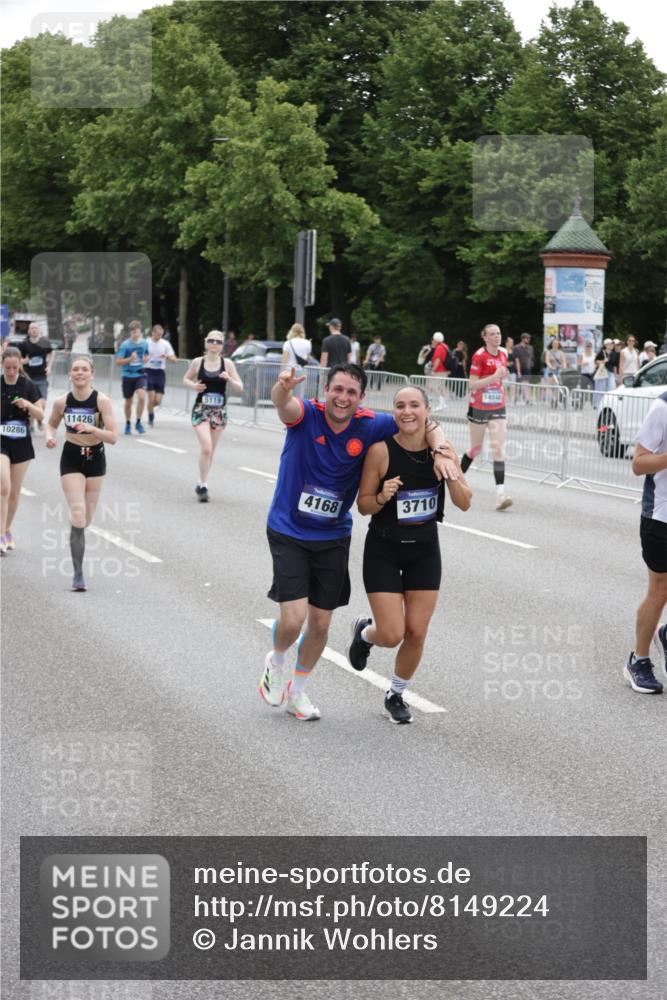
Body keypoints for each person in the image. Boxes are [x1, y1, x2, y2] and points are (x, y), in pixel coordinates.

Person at [259, 363, 458, 721]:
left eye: (351, 392)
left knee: (320, 624)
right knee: (293, 619)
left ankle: (298, 693)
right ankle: (276, 661)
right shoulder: (307, 414)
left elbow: (421, 421)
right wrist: (283, 389)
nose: (343, 398)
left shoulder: (371, 424)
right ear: (325, 391)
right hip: (289, 529)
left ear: (361, 398)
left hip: (333, 536)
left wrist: (441, 448)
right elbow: (283, 404)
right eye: (337, 389)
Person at [349, 386, 471, 723]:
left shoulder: (442, 452)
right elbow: (363, 506)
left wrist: (452, 473)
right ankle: (364, 632)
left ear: (427, 411)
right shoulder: (380, 452)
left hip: (425, 550)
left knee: (416, 631)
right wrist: (383, 496)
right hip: (384, 549)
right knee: (391, 634)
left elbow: (464, 503)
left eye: (414, 405)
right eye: (400, 406)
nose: (407, 412)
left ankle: (396, 694)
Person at [45, 355, 117, 591]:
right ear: (70, 375)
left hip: (95, 458)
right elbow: (52, 423)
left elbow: (113, 437)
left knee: (86, 520)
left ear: (92, 374)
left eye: (84, 369)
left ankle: (78, 538)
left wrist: (93, 428)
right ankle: (78, 575)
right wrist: (49, 436)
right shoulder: (61, 401)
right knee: (78, 516)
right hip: (71, 458)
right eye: (75, 369)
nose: (79, 373)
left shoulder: (102, 401)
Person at [624, 390, 667, 694]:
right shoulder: (662, 407)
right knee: (660, 589)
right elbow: (638, 464)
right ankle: (638, 661)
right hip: (661, 516)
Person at [182, 331, 244, 502]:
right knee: (206, 448)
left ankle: (201, 481)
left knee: (211, 452)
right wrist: (194, 386)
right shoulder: (198, 362)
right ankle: (203, 485)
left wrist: (229, 378)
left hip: (219, 412)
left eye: (218, 341)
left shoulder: (228, 363)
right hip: (201, 410)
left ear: (222, 344)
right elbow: (185, 379)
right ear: (206, 343)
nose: (214, 343)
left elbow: (240, 387)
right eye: (211, 340)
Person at [460, 324, 512, 511]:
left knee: (498, 449)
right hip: (478, 407)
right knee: (475, 449)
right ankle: (456, 481)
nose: (497, 336)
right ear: (485, 337)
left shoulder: (504, 353)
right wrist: (494, 377)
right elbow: (472, 385)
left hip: (498, 406)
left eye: (498, 333)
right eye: (492, 334)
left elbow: (500, 378)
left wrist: (500, 380)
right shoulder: (479, 356)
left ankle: (501, 495)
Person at [1, 347, 44, 554]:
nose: (11, 371)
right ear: (2, 365)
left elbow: (40, 415)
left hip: (21, 442)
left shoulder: (28, 385)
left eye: (14, 368)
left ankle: (7, 529)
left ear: (20, 366)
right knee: (4, 487)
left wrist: (27, 404)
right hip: (0, 440)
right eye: (7, 367)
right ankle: (0, 534)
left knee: (15, 493)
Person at [116, 320, 149, 434]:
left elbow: (146, 354)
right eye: (133, 332)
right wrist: (130, 359)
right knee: (128, 401)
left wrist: (146, 358)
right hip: (127, 375)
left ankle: (138, 422)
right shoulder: (125, 345)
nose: (136, 334)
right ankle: (128, 423)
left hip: (140, 374)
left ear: (140, 331)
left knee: (141, 397)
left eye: (137, 331)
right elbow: (118, 361)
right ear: (131, 333)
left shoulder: (144, 343)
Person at [20, 322, 52, 432]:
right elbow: (17, 358)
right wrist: (22, 361)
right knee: (30, 403)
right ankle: (31, 424)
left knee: (42, 403)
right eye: (32, 328)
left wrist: (49, 366)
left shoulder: (45, 342)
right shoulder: (24, 344)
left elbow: (51, 353)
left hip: (42, 378)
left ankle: (39, 420)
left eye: (36, 328)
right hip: (29, 378)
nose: (34, 330)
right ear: (29, 330)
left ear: (39, 330)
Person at [145, 324, 177, 426]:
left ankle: (150, 407)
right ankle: (151, 417)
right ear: (153, 333)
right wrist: (144, 358)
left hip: (160, 373)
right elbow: (139, 355)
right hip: (148, 371)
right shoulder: (146, 343)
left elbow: (174, 359)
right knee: (151, 397)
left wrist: (166, 356)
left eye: (161, 335)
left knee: (157, 401)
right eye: (158, 334)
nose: (159, 337)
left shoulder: (165, 344)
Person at [593, 338, 617, 410]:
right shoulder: (601, 352)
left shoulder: (614, 354)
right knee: (600, 389)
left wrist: (615, 376)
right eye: (609, 344)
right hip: (603, 372)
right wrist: (603, 361)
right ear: (605, 345)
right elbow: (595, 361)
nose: (611, 345)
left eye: (612, 344)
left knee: (611, 388)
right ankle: (598, 405)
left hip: (611, 373)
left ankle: (610, 405)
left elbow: (615, 365)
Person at [429, 332, 449, 411]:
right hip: (444, 370)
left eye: (433, 340)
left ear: (435, 340)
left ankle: (442, 404)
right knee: (440, 387)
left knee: (434, 386)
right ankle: (443, 404)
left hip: (439, 371)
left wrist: (433, 370)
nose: (432, 341)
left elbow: (437, 359)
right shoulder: (445, 346)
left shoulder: (439, 347)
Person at [513, 333, 534, 404]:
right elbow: (516, 359)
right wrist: (518, 371)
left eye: (529, 338)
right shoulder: (516, 347)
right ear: (523, 339)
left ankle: (527, 398)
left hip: (527, 368)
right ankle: (515, 398)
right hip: (518, 368)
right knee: (517, 384)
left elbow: (531, 357)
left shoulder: (530, 348)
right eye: (527, 338)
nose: (528, 340)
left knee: (526, 383)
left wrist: (530, 365)